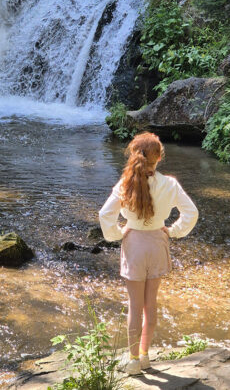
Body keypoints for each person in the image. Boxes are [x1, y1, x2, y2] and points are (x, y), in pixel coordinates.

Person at [98, 131, 198, 376]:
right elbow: (191, 213)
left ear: (134, 155)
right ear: (159, 158)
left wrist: (117, 233)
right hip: (157, 243)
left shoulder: (125, 184)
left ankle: (132, 361)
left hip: (134, 244)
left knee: (134, 306)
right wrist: (173, 231)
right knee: (150, 305)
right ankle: (145, 356)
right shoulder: (170, 184)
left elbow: (104, 215)